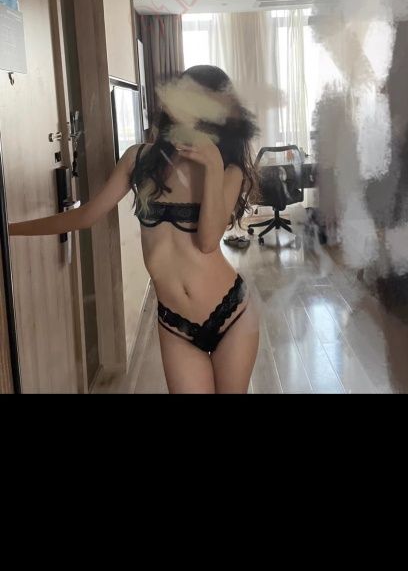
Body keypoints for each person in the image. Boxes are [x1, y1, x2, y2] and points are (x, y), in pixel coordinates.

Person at [8, 65, 261, 394]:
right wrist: (9, 229)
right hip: (175, 323)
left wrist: (213, 164)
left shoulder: (228, 168)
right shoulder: (138, 159)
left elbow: (208, 242)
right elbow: (86, 216)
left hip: (232, 315)